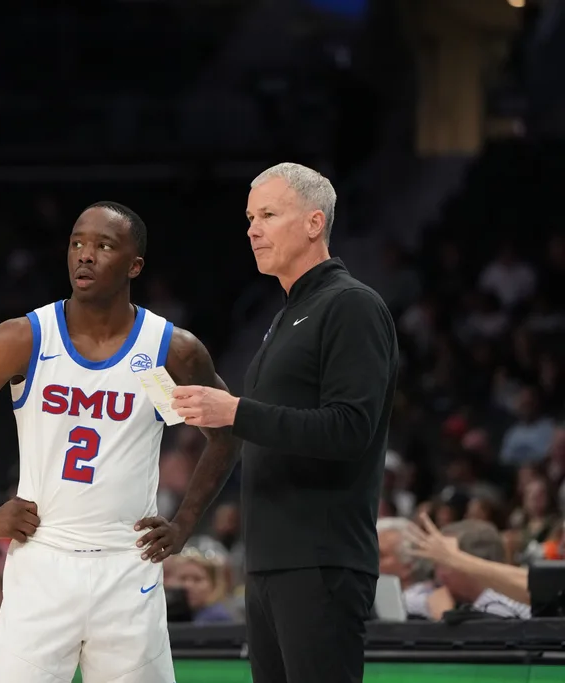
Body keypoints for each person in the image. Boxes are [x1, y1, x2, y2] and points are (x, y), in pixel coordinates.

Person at [0, 202, 239, 683]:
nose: (85, 255)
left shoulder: (172, 350)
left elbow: (227, 433)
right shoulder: (24, 337)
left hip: (128, 563)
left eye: (104, 246)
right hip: (43, 557)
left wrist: (187, 521)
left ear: (135, 266)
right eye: (77, 243)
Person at [172, 162, 398, 683]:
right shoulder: (287, 314)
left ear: (315, 222)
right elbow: (274, 424)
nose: (252, 228)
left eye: (269, 214)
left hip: (320, 560)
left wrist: (235, 411)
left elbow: (348, 428)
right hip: (270, 560)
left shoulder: (351, 306)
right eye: (250, 217)